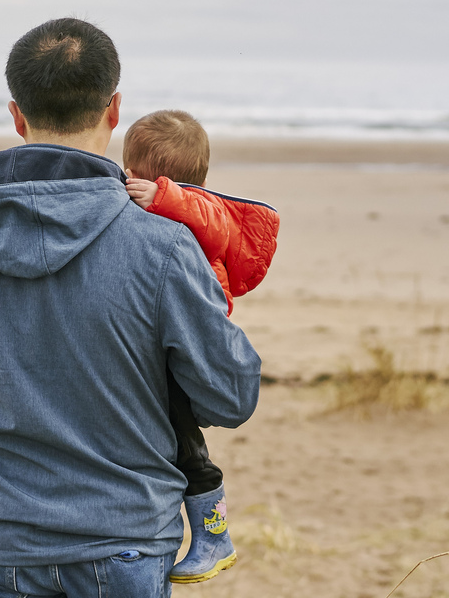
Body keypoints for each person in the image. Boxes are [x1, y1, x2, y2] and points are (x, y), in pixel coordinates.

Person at [0, 18, 262, 598]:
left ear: (17, 116)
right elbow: (231, 395)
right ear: (114, 110)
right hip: (124, 537)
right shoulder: (164, 244)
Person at [120, 109, 280, 583]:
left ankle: (215, 537)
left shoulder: (198, 206)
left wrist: (163, 195)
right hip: (176, 321)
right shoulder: (167, 207)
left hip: (193, 322)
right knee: (176, 432)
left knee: (186, 441)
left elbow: (211, 222)